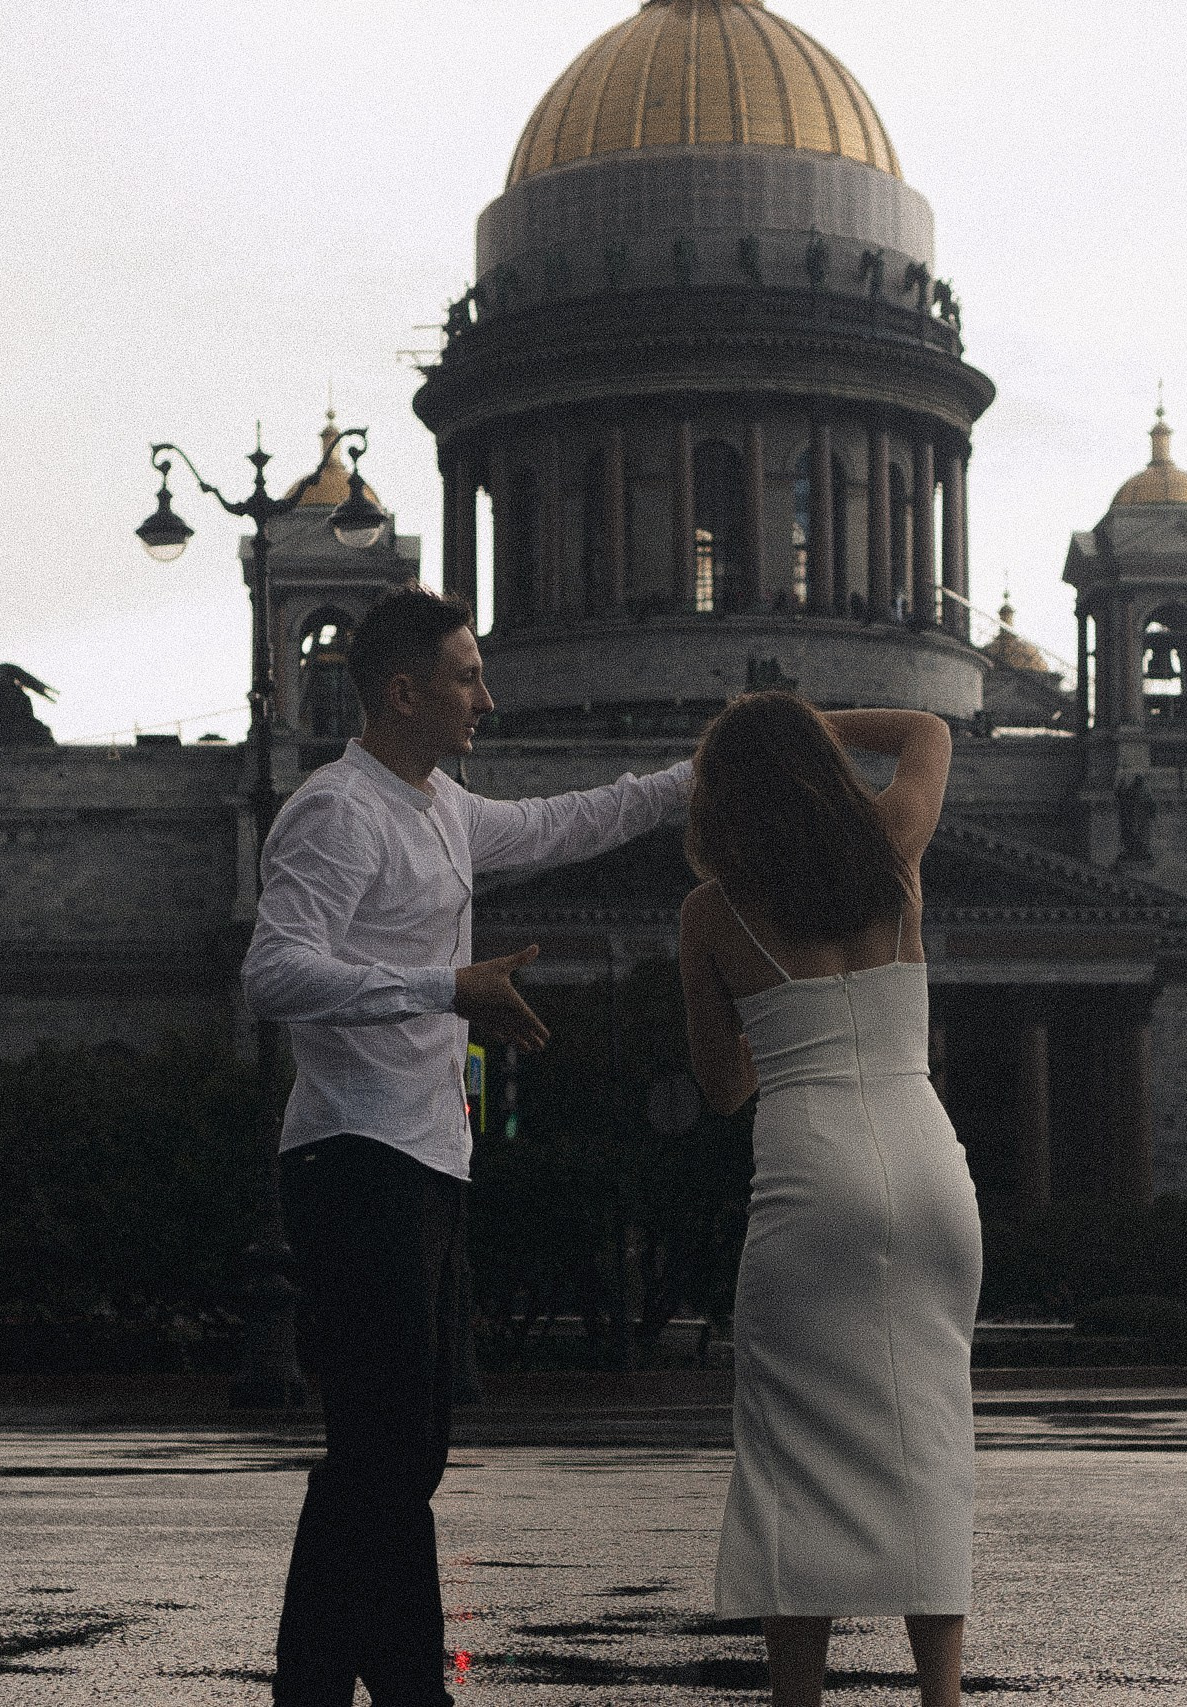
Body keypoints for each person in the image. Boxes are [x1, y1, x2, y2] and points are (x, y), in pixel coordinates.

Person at [241, 586, 692, 1707]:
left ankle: (365, 1685)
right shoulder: (336, 810)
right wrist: (447, 987)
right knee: (383, 1453)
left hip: (423, 1159)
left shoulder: (436, 804)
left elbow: (558, 824)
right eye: (465, 677)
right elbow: (274, 973)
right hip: (352, 1158)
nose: (486, 697)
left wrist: (694, 778)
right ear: (403, 692)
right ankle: (371, 1689)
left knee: (403, 1454)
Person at [677, 694, 982, 1707]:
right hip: (929, 1158)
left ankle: (797, 1700)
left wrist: (783, 1036)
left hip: (812, 1171)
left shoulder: (712, 915)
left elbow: (722, 1088)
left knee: (791, 1456)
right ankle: (938, 1696)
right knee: (931, 1435)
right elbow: (930, 732)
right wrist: (812, 718)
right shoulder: (896, 855)